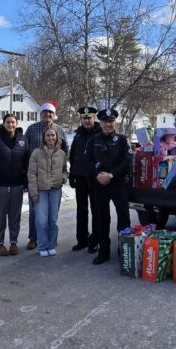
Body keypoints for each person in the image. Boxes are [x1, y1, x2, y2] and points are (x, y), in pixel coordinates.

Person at [85, 109, 131, 265]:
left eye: (111, 121)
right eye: (105, 121)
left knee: (124, 218)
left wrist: (111, 175)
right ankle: (103, 252)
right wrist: (98, 174)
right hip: (100, 185)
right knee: (101, 219)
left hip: (118, 184)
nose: (108, 124)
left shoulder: (123, 140)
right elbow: (87, 161)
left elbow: (127, 161)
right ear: (101, 123)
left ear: (115, 122)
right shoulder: (93, 140)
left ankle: (124, 250)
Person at [24, 101, 68, 250]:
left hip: (55, 179)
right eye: (44, 112)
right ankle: (33, 238)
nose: (47, 115)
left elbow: (65, 152)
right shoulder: (31, 129)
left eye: (50, 113)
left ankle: (50, 240)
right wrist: (29, 179)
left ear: (54, 115)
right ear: (40, 114)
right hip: (37, 177)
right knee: (35, 212)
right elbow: (25, 152)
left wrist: (63, 176)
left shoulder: (60, 131)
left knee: (52, 215)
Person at [0, 114, 29, 256]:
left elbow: (27, 161)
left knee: (15, 216)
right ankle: (0, 244)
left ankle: (13, 242)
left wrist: (25, 181)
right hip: (0, 185)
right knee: (0, 216)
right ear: (3, 123)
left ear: (16, 123)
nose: (10, 125)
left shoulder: (22, 139)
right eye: (8, 122)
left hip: (17, 185)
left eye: (13, 122)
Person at [69, 106, 101, 253]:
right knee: (81, 210)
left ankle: (95, 240)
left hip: (95, 177)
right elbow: (74, 155)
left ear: (94, 118)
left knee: (96, 210)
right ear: (81, 119)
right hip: (81, 177)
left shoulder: (101, 133)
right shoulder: (78, 135)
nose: (87, 121)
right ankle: (82, 240)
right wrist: (72, 174)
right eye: (84, 118)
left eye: (89, 118)